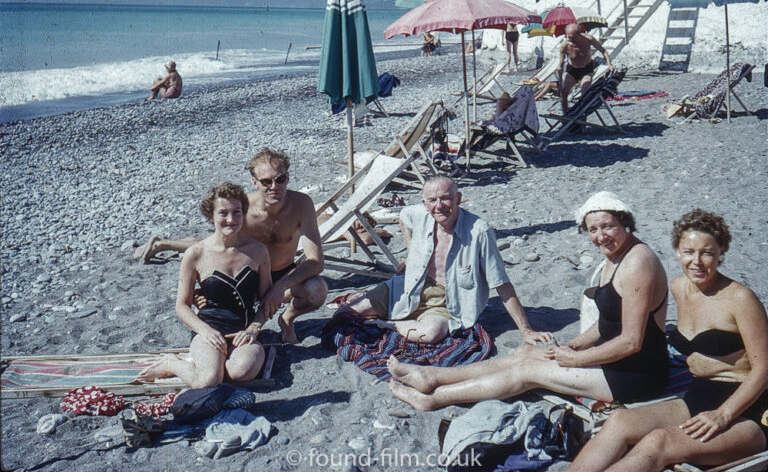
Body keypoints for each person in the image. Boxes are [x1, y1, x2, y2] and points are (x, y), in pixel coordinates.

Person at [387, 191, 670, 411]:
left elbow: (632, 341)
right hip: (616, 359)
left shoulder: (637, 263)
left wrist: (578, 357)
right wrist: (574, 344)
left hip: (636, 375)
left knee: (526, 372)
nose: (600, 236)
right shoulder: (616, 257)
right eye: (593, 230)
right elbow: (611, 321)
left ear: (625, 222)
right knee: (524, 353)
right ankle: (434, 376)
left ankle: (434, 399)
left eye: (608, 226)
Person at [568, 210, 768, 472]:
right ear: (677, 251)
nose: (696, 261)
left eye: (707, 252)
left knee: (658, 443)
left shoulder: (740, 300)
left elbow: (763, 369)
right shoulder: (679, 288)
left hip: (747, 413)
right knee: (619, 421)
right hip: (697, 398)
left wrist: (723, 415)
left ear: (722, 251)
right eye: (688, 252)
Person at [134, 148, 328, 344]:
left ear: (288, 177)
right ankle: (166, 244)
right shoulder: (243, 210)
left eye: (280, 179)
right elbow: (214, 248)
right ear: (255, 182)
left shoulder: (301, 205)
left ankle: (287, 319)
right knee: (212, 245)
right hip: (250, 278)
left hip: (282, 274)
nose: (274, 186)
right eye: (266, 181)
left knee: (317, 289)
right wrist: (200, 292)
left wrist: (280, 286)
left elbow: (316, 261)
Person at [335, 175, 551, 346]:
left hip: (447, 300)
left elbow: (501, 283)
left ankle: (386, 324)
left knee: (429, 334)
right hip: (409, 288)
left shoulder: (479, 232)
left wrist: (526, 330)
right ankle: (386, 313)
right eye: (432, 200)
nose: (439, 206)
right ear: (424, 203)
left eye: (446, 198)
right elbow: (403, 216)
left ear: (458, 198)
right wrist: (411, 255)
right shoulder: (419, 214)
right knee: (343, 315)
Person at [138, 182, 270, 388]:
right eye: (223, 213)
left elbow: (267, 299)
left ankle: (215, 366)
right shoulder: (196, 253)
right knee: (207, 381)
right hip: (209, 328)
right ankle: (171, 363)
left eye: (237, 212)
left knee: (242, 372)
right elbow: (182, 305)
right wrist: (205, 331)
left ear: (244, 214)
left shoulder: (258, 251)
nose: (231, 219)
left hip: (243, 330)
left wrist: (254, 327)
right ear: (211, 216)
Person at [558, 23, 614, 113]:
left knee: (585, 93)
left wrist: (609, 64)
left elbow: (603, 51)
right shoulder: (565, 44)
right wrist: (560, 83)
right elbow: (560, 66)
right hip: (572, 69)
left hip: (586, 69)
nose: (570, 39)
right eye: (568, 37)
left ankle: (583, 116)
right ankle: (566, 115)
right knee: (564, 93)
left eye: (573, 37)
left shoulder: (588, 39)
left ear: (579, 34)